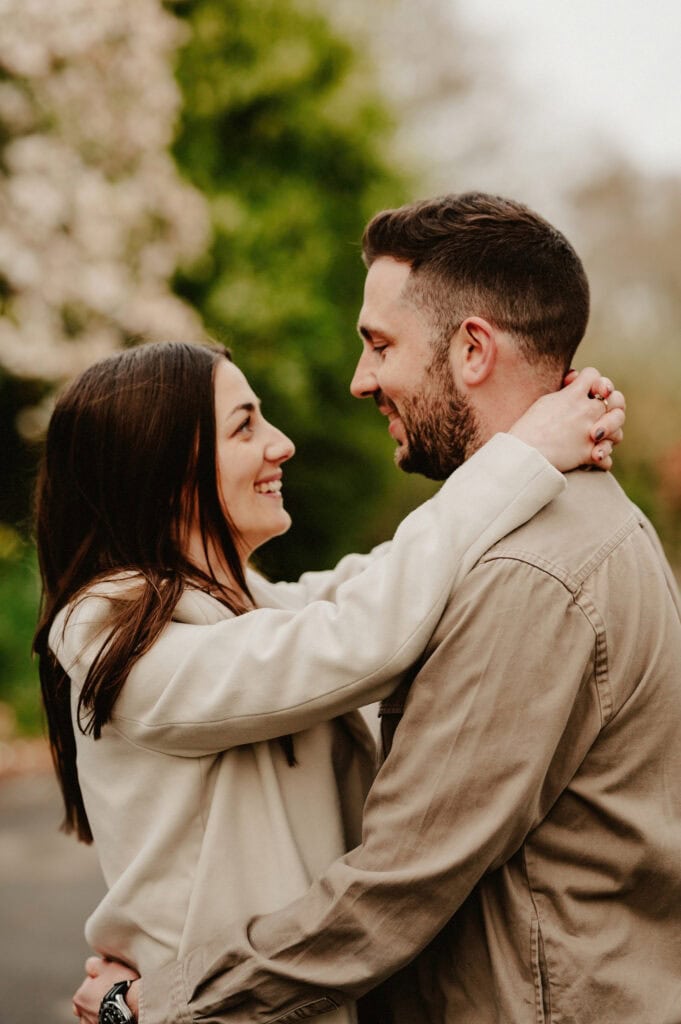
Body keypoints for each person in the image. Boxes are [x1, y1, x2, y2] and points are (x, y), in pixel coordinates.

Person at [78, 192, 680, 1024]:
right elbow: (358, 614)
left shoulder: (527, 572)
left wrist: (154, 1001)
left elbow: (397, 884)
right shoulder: (134, 637)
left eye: (378, 344)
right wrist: (523, 454)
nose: (359, 380)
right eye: (245, 426)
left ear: (472, 349)